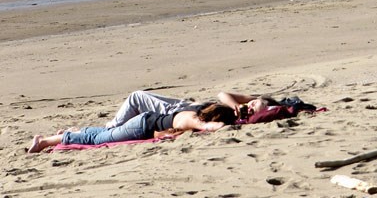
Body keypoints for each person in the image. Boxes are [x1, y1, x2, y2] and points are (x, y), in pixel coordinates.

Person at [28, 103, 236, 154]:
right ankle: (45, 141)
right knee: (100, 140)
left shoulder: (193, 113)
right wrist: (224, 126)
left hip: (143, 124)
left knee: (103, 134)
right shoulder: (193, 118)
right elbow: (208, 126)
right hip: (141, 126)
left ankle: (74, 132)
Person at [106, 90, 279, 128]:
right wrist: (246, 103)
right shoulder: (237, 107)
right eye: (253, 103)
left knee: (137, 97)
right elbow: (222, 94)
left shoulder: (235, 117)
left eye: (253, 107)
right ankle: (114, 126)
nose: (249, 106)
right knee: (139, 100)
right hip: (185, 105)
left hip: (179, 111)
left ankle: (111, 128)